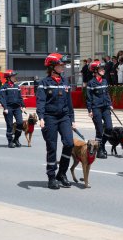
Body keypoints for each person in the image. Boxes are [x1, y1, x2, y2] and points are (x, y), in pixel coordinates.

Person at [36, 53, 75, 190]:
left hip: (64, 116)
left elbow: (69, 102)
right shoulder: (44, 83)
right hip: (49, 117)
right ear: (52, 67)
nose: (63, 66)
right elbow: (40, 101)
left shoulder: (65, 82)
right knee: (52, 147)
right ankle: (51, 177)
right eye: (60, 64)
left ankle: (62, 174)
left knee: (69, 143)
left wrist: (72, 118)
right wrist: (41, 118)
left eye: (63, 64)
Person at [86, 61, 113, 159]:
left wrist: (110, 104)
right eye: (101, 69)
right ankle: (100, 150)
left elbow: (107, 94)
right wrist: (90, 110)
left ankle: (101, 145)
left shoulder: (105, 81)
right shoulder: (91, 83)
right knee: (99, 130)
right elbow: (88, 98)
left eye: (103, 68)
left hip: (105, 107)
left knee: (109, 128)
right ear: (95, 71)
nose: (103, 70)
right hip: (96, 108)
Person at [0, 70, 25, 148]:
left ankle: (16, 139)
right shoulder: (4, 87)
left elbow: (20, 98)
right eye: (13, 76)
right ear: (8, 78)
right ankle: (10, 141)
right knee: (10, 125)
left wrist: (23, 106)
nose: (14, 78)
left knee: (20, 123)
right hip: (8, 108)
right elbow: (2, 98)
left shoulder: (17, 87)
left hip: (17, 107)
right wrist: (5, 108)